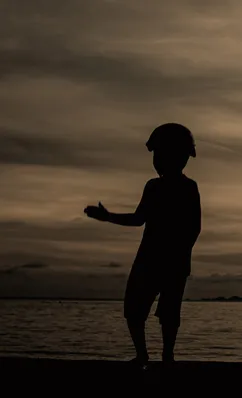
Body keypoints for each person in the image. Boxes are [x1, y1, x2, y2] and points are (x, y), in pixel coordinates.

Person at [84, 122, 201, 368]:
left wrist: (179, 252)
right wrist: (108, 217)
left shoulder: (188, 188)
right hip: (152, 259)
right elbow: (140, 219)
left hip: (169, 261)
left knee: (168, 314)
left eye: (160, 154)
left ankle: (165, 356)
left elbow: (193, 227)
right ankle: (144, 355)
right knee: (135, 309)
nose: (157, 160)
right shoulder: (154, 187)